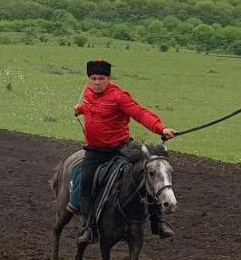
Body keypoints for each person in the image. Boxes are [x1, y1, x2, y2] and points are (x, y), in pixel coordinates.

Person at [73, 59, 177, 242]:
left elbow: (140, 113)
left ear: (109, 79)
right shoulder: (88, 94)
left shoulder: (119, 97)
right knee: (86, 181)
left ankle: (158, 222)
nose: (97, 83)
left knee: (145, 175)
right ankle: (89, 227)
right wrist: (80, 109)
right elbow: (92, 108)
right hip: (95, 151)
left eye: (101, 79)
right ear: (89, 79)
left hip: (121, 149)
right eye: (93, 78)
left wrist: (161, 129)